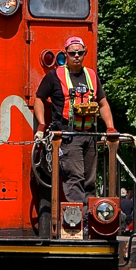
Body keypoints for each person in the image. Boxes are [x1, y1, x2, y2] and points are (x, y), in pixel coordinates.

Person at [33, 37, 116, 203]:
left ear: (84, 53)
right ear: (66, 54)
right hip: (68, 136)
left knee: (90, 179)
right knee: (75, 177)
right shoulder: (54, 76)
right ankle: (78, 220)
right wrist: (41, 125)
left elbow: (103, 103)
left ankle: (90, 219)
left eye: (80, 52)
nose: (76, 56)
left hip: (90, 135)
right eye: (72, 53)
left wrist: (110, 128)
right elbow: (39, 99)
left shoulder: (91, 75)